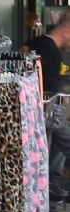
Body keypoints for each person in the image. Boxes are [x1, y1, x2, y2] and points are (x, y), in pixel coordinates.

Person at [20, 11, 70, 199]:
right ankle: (52, 179)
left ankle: (53, 178)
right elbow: (48, 93)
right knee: (60, 124)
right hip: (37, 112)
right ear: (66, 31)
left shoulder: (36, 42)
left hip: (28, 109)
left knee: (60, 122)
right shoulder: (51, 52)